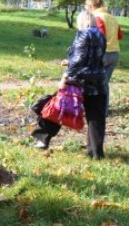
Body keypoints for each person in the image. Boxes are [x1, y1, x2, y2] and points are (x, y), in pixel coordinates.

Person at [32, 11, 107, 158]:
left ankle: (42, 139)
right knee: (96, 118)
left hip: (79, 82)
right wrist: (70, 61)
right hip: (98, 81)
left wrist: (65, 77)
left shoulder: (82, 34)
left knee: (55, 108)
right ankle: (96, 153)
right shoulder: (101, 35)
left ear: (83, 22)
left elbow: (79, 60)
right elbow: (94, 57)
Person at [85, 0, 123, 115]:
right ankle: (103, 110)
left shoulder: (96, 17)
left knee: (92, 82)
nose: (86, 9)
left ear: (91, 6)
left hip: (102, 54)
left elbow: (99, 36)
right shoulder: (112, 17)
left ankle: (94, 109)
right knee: (104, 82)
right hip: (115, 53)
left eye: (87, 7)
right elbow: (120, 36)